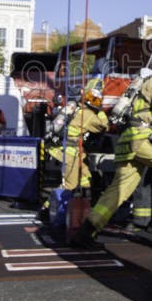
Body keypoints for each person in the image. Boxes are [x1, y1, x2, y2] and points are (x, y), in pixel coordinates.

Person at [71, 53, 152, 248]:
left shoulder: (141, 83)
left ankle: (87, 231)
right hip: (142, 140)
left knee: (118, 191)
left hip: (128, 142)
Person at [40, 80, 109, 219]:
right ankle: (46, 209)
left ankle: (85, 207)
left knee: (85, 177)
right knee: (70, 184)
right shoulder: (88, 115)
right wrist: (101, 111)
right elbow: (104, 126)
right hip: (70, 153)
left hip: (66, 150)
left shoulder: (76, 108)